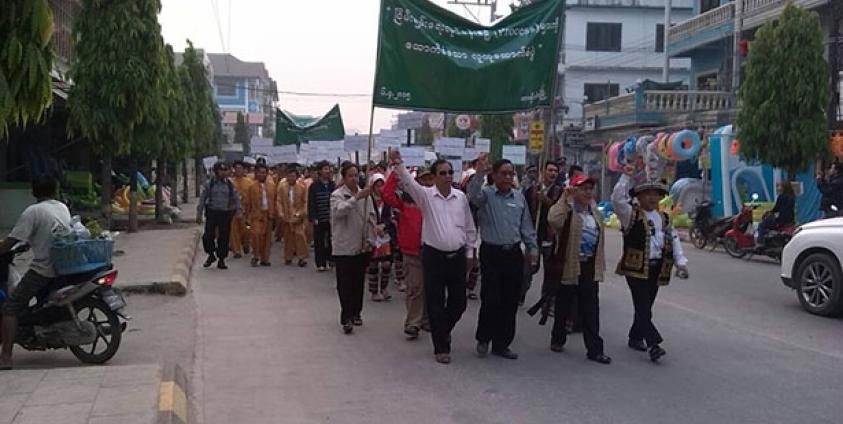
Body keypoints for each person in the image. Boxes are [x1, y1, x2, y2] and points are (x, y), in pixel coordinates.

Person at [390, 151, 477, 365]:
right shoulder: (426, 196)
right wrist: (399, 164)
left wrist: (470, 253)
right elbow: (409, 184)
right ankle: (441, 347)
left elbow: (469, 227)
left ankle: (442, 329)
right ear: (435, 176)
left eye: (450, 172)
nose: (448, 176)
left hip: (457, 258)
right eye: (443, 173)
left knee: (459, 303)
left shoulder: (461, 198)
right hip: (433, 257)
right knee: (435, 303)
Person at [611, 166, 689, 363]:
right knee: (642, 305)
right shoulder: (631, 214)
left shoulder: (663, 217)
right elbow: (617, 199)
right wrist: (626, 176)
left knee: (646, 305)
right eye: (648, 194)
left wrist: (680, 261)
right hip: (635, 268)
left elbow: (673, 238)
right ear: (639, 197)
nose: (652, 198)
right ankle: (654, 344)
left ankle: (635, 336)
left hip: (657, 268)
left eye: (656, 194)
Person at [467, 155, 538, 360]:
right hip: (492, 253)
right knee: (491, 299)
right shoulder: (486, 195)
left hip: (513, 254)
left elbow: (526, 226)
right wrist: (479, 173)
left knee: (510, 300)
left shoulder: (519, 197)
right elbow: (471, 196)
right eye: (503, 173)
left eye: (511, 174)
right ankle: (484, 338)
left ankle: (502, 343)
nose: (508, 177)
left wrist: (532, 249)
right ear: (495, 175)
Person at [0, 176, 72, 369]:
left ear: (33, 192)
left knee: (9, 308)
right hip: (60, 266)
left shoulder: (33, 211)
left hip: (44, 269)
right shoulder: (61, 207)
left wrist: (3, 247)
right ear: (55, 190)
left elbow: (11, 241)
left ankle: (5, 357)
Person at [546, 174, 612, 365]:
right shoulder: (567, 210)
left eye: (590, 189)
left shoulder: (594, 212)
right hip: (569, 265)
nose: (588, 192)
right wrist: (564, 200)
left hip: (589, 265)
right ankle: (557, 338)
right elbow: (553, 220)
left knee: (591, 308)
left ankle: (595, 349)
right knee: (563, 305)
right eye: (583, 188)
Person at [383, 167, 432, 339]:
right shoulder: (405, 199)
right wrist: (395, 174)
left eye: (429, 179)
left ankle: (427, 319)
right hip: (411, 251)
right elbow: (387, 195)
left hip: (432, 250)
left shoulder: (434, 200)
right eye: (423, 179)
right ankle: (413, 323)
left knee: (430, 287)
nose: (426, 182)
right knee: (415, 287)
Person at [331, 163, 375, 335]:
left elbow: (370, 217)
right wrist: (356, 197)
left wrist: (372, 236)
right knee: (345, 284)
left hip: (361, 245)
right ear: (344, 177)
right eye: (350, 175)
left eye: (356, 175)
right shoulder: (337, 195)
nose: (354, 178)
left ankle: (356, 312)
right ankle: (346, 317)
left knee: (358, 282)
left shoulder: (366, 196)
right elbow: (340, 211)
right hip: (343, 247)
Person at [522, 162, 562, 306]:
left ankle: (546, 303)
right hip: (533, 237)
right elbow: (523, 212)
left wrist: (547, 202)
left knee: (551, 273)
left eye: (555, 171)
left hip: (550, 238)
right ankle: (520, 294)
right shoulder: (532, 190)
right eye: (550, 170)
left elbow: (561, 213)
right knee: (528, 269)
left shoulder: (560, 192)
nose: (553, 173)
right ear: (543, 172)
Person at [197, 162, 241, 270]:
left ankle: (221, 259)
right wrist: (199, 214)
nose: (224, 172)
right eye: (222, 170)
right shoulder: (209, 184)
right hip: (212, 212)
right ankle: (211, 254)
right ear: (216, 172)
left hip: (225, 213)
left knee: (224, 237)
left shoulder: (230, 185)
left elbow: (236, 198)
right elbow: (202, 199)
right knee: (208, 236)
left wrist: (238, 211)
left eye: (225, 170)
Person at [366, 173, 395, 302]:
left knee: (387, 264)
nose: (379, 188)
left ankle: (384, 288)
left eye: (382, 185)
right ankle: (374, 291)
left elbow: (391, 217)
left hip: (385, 236)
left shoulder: (388, 200)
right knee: (373, 265)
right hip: (372, 233)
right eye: (377, 186)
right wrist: (374, 226)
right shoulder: (368, 200)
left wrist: (384, 226)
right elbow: (366, 216)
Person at [243, 163, 276, 266]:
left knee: (267, 238)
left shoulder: (272, 186)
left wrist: (275, 215)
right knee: (256, 235)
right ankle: (256, 256)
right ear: (256, 173)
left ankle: (265, 259)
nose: (262, 174)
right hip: (256, 215)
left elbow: (275, 200)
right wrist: (246, 216)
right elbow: (248, 203)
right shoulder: (252, 187)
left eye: (264, 172)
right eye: (260, 172)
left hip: (269, 214)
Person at [277, 166, 309, 267]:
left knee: (300, 236)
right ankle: (288, 257)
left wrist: (301, 213)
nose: (291, 178)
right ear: (287, 177)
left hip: (298, 216)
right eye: (289, 176)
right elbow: (279, 201)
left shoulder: (302, 187)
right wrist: (281, 213)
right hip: (286, 216)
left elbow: (305, 202)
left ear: (296, 177)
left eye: (293, 176)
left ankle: (301, 257)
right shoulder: (282, 187)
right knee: (288, 238)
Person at [308, 161, 336, 272]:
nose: (327, 171)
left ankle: (330, 260)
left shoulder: (332, 185)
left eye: (328, 169)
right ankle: (320, 263)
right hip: (319, 218)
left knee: (330, 240)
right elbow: (311, 203)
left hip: (330, 218)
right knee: (319, 241)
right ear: (319, 171)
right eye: (325, 169)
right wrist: (313, 217)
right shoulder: (314, 186)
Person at [228, 161, 253, 258]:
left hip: (245, 210)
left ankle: (246, 244)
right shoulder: (230, 182)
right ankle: (236, 250)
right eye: (236, 168)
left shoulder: (249, 182)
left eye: (240, 168)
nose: (238, 170)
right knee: (233, 230)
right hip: (233, 210)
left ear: (243, 170)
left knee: (246, 230)